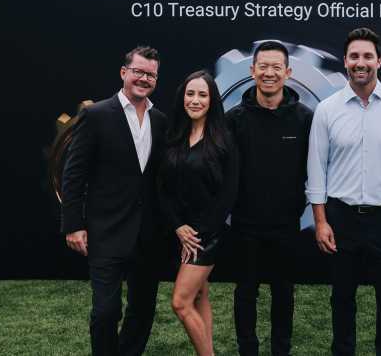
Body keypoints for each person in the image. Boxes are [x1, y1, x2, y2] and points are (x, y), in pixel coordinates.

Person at [306, 27, 381, 356]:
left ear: (379, 61)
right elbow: (316, 170)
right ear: (345, 61)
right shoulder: (327, 110)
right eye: (355, 56)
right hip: (341, 218)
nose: (361, 62)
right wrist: (321, 222)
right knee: (341, 298)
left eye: (368, 56)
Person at [61, 46, 168, 356]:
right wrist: (73, 225)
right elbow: (74, 174)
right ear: (124, 72)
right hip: (106, 232)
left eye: (151, 75)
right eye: (138, 71)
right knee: (106, 312)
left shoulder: (160, 120)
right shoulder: (95, 115)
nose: (144, 78)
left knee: (143, 310)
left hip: (147, 235)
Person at [226, 41, 314, 356]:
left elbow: (314, 171)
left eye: (276, 67)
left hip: (286, 225)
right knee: (245, 293)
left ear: (288, 72)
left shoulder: (305, 118)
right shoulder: (233, 119)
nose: (269, 73)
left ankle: (281, 350)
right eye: (263, 66)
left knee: (284, 293)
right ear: (252, 71)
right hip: (244, 225)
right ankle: (247, 349)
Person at [159, 70, 239, 356]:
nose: (195, 100)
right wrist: (178, 227)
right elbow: (162, 188)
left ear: (212, 100)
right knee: (200, 294)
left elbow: (228, 195)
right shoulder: (174, 137)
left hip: (206, 235)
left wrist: (198, 234)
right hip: (180, 231)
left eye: (202, 95)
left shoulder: (224, 140)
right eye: (190, 94)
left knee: (180, 302)